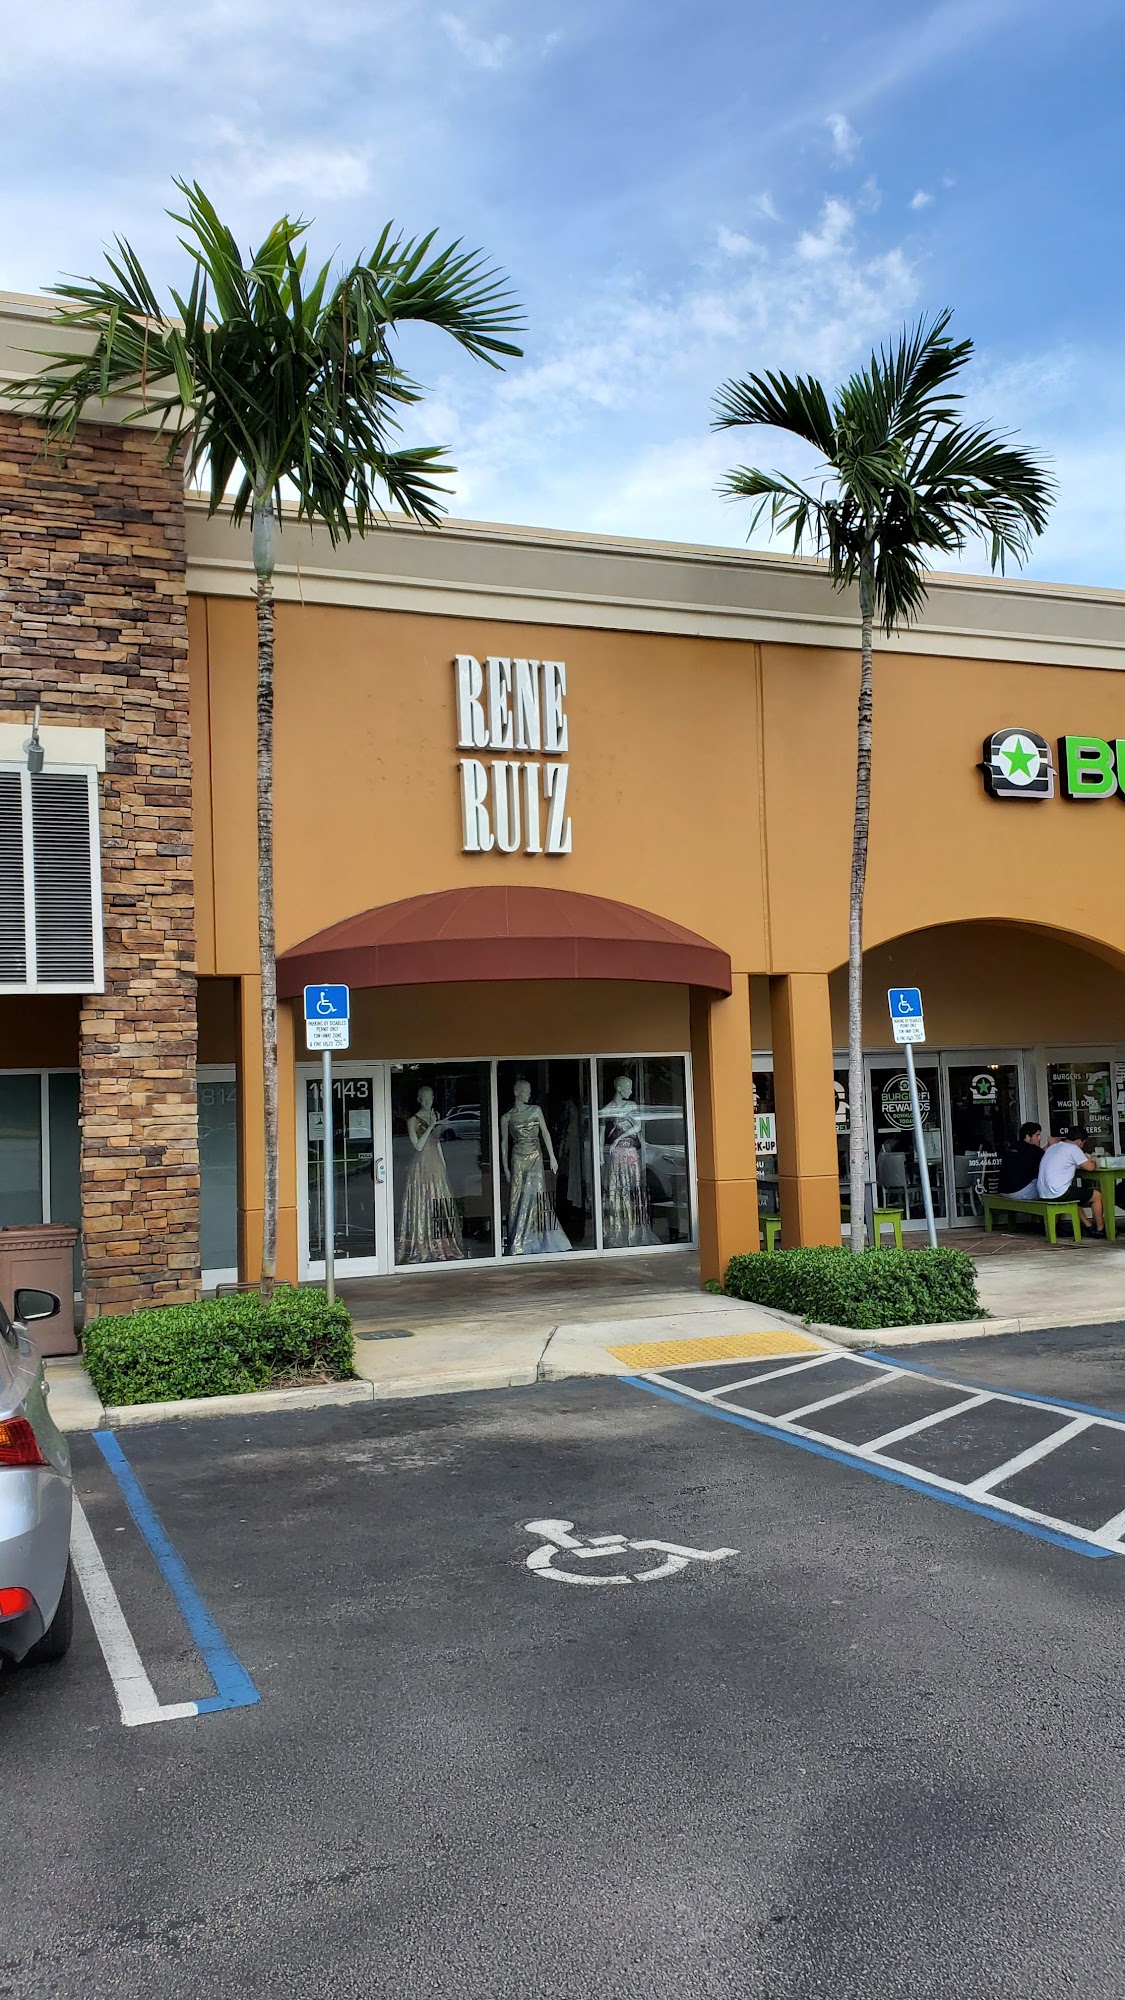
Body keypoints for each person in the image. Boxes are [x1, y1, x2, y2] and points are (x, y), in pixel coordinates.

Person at [1037, 1126, 1104, 1237]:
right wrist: (1094, 1160)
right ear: (1079, 1141)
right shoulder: (1073, 1149)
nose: (1082, 1146)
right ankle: (1100, 1229)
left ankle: (1088, 1225)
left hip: (1044, 1192)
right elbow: (1090, 1167)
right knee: (1097, 1195)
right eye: (1083, 1143)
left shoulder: (1054, 1147)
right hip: (1058, 1193)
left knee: (1074, 1197)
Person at [997, 1122, 1045, 1200]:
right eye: (1037, 1135)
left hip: (1003, 1191)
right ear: (1028, 1136)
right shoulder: (1035, 1150)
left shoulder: (1013, 1147)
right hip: (1020, 1193)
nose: (1040, 1138)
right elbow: (1047, 1160)